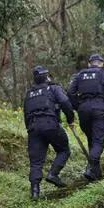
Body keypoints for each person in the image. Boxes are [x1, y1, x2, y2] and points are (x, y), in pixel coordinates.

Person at [24, 65, 75, 199]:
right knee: (64, 150)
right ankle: (53, 174)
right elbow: (65, 102)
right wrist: (70, 119)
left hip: (33, 128)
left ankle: (35, 191)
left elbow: (26, 113)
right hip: (50, 124)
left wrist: (30, 129)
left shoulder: (29, 94)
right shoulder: (53, 88)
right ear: (47, 77)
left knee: (36, 162)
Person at [68, 54, 104, 181]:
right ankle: (91, 167)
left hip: (83, 110)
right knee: (98, 141)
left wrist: (78, 107)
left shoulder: (80, 75)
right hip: (99, 108)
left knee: (92, 139)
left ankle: (95, 172)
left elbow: (70, 92)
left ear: (89, 64)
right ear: (101, 63)